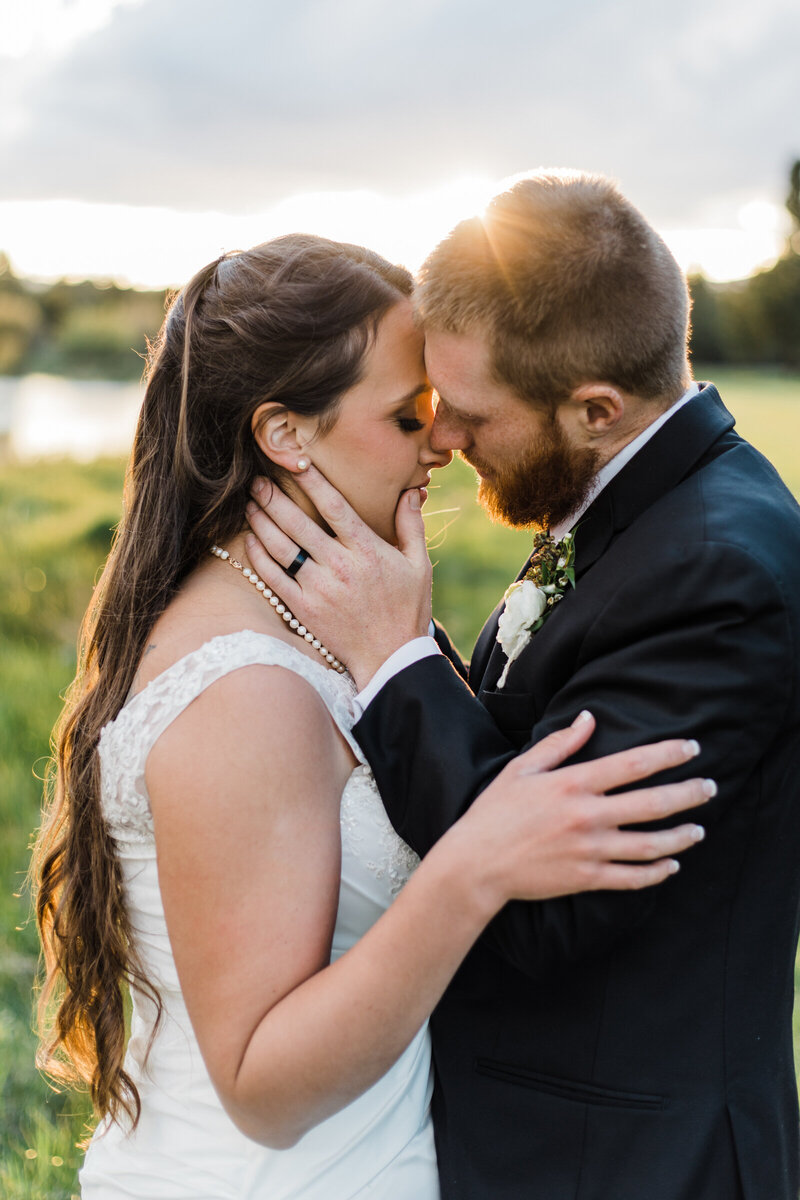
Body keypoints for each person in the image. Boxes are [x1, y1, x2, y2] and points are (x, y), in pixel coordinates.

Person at [31, 234, 708, 1200]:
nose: (445, 441)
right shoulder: (244, 692)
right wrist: (475, 864)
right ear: (287, 435)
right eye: (407, 416)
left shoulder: (324, 613)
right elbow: (263, 1087)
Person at [245, 174, 800, 1200]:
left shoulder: (716, 572)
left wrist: (393, 659)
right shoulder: (638, 503)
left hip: (623, 1166)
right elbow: (521, 755)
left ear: (595, 408)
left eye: (469, 415)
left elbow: (547, 901)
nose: (443, 443)